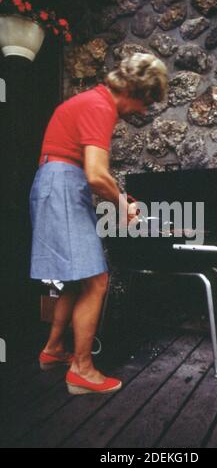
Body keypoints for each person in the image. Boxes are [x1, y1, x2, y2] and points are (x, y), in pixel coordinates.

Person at [29, 53, 168, 395]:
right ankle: (82, 370)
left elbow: (88, 173)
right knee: (97, 280)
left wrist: (118, 199)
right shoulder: (100, 107)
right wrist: (123, 206)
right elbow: (95, 174)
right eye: (147, 102)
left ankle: (54, 350)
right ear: (133, 90)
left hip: (56, 182)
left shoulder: (91, 101)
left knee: (77, 279)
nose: (144, 111)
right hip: (63, 184)